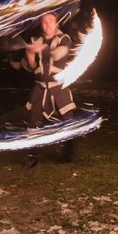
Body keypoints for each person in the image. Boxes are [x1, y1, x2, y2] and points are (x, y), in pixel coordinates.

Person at [22, 12, 77, 166]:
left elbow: (58, 54)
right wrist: (30, 53)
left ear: (57, 23)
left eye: (51, 20)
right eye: (44, 21)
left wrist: (42, 48)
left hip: (59, 87)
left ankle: (68, 153)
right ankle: (32, 156)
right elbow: (33, 66)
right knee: (33, 121)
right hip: (40, 88)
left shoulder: (64, 39)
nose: (47, 24)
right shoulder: (35, 41)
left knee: (68, 120)